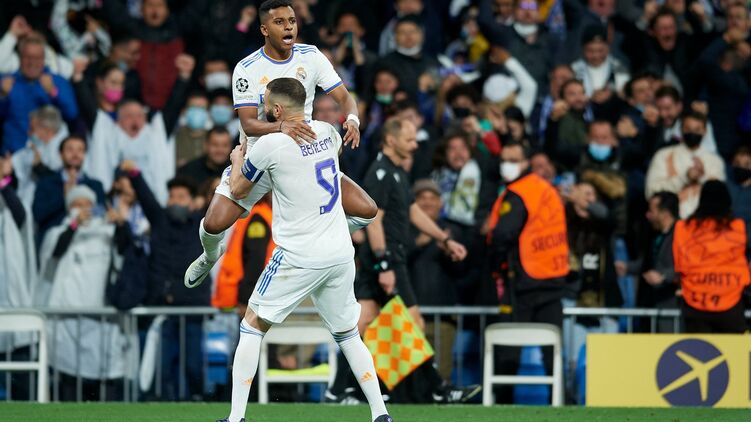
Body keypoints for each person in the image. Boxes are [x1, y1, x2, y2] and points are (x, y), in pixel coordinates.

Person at [219, 77, 392, 422]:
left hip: (299, 253)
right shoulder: (328, 132)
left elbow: (238, 190)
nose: (263, 109)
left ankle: (236, 418)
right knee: (348, 334)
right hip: (339, 253)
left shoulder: (270, 144)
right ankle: (380, 414)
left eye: (266, 104)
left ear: (277, 110)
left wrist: (238, 158)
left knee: (252, 325)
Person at [184, 0, 377, 289]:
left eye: (292, 21)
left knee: (367, 210)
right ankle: (210, 256)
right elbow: (248, 123)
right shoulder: (247, 68)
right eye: (279, 22)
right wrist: (281, 127)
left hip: (304, 154)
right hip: (259, 156)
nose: (288, 27)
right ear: (264, 29)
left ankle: (326, 235)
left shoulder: (311, 56)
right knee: (213, 224)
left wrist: (352, 119)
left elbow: (344, 98)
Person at [343, 116, 477, 405]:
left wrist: (444, 239)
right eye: (409, 140)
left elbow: (413, 211)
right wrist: (384, 265)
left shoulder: (396, 171)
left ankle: (343, 388)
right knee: (411, 321)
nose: (415, 145)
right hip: (387, 259)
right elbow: (374, 222)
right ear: (391, 140)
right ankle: (436, 388)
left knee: (364, 322)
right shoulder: (380, 173)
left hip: (386, 259)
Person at [486, 141, 570, 395]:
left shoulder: (519, 193)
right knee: (553, 351)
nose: (506, 165)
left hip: (523, 280)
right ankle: (561, 401)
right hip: (552, 277)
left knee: (509, 348)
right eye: (504, 160)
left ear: (526, 163)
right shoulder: (545, 189)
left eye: (513, 160)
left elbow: (503, 235)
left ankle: (502, 402)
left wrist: (494, 266)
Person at [36, 184, 131, 401]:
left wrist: (120, 224)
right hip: (67, 318)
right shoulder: (57, 232)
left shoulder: (106, 232)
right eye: (77, 204)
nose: (83, 209)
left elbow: (125, 250)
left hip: (102, 317)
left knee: (103, 374)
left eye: (87, 204)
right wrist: (73, 225)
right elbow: (55, 253)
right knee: (70, 375)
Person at [669, 181, 750, 333]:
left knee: (699, 347)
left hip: (694, 301)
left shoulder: (683, 228)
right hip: (731, 301)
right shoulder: (738, 227)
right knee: (733, 348)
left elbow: (678, 263)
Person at [0, 34, 78, 154]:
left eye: (37, 58)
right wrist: (3, 96)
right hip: (13, 155)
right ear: (20, 57)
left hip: (49, 156)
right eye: (28, 57)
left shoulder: (58, 81)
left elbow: (72, 114)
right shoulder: (6, 82)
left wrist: (53, 92)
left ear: (44, 59)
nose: (32, 62)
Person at [645, 111, 725, 218]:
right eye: (688, 128)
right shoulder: (663, 155)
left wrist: (702, 177)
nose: (692, 133)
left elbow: (720, 199)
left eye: (697, 129)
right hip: (672, 221)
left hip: (703, 222)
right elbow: (651, 191)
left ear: (705, 131)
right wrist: (685, 178)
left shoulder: (715, 161)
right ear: (681, 129)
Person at [33, 135, 106, 244]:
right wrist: (64, 196)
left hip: (88, 242)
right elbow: (38, 215)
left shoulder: (95, 185)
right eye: (70, 149)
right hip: (53, 244)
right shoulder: (46, 183)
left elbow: (102, 212)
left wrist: (83, 207)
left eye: (80, 150)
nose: (75, 154)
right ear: (61, 154)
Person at [11, 105, 68, 208]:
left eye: (32, 129)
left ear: (47, 130)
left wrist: (38, 166)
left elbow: (58, 181)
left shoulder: (66, 148)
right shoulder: (35, 145)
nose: (29, 132)